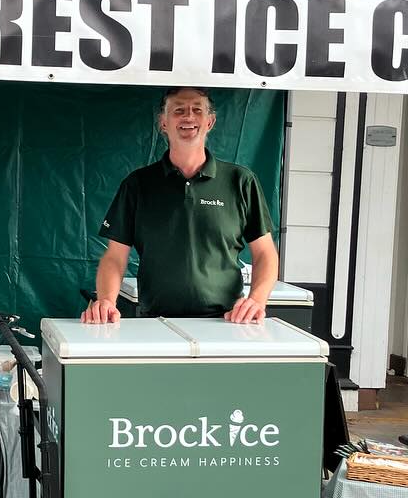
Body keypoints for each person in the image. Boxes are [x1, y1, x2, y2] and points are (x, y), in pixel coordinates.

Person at [82, 87, 277, 324]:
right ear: (163, 122)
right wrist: (106, 301)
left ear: (210, 122)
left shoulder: (241, 181)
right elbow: (115, 256)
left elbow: (265, 252)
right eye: (179, 110)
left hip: (227, 323)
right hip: (156, 323)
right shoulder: (138, 184)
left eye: (197, 109)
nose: (189, 117)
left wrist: (257, 299)